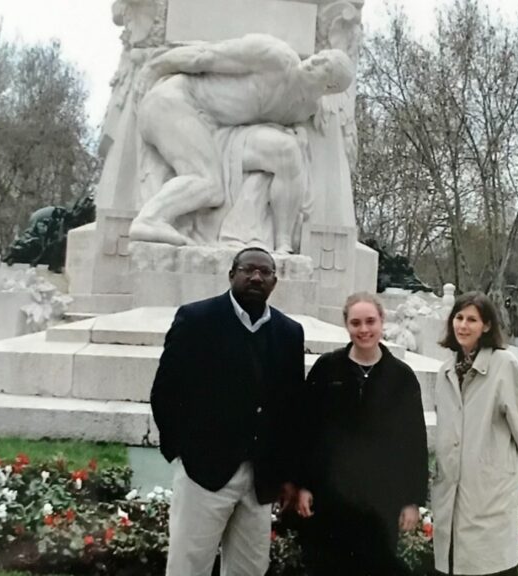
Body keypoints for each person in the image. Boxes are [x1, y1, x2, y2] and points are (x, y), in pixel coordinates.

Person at [150, 247, 306, 576]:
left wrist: (287, 472)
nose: (256, 277)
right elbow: (165, 390)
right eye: (248, 269)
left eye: (265, 272)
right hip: (204, 473)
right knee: (188, 566)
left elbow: (292, 410)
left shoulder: (289, 333)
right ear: (231, 274)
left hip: (259, 478)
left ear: (275, 282)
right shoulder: (196, 320)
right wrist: (182, 450)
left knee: (250, 569)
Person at [130, 34, 354, 250]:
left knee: (287, 153)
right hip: (176, 103)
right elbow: (205, 56)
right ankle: (149, 219)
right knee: (207, 181)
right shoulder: (276, 57)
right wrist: (153, 67)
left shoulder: (303, 109)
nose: (315, 59)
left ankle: (282, 243)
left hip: (218, 131)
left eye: (325, 66)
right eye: (321, 55)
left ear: (329, 88)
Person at [295, 293, 428, 576]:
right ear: (346, 325)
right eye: (356, 322)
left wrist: (412, 500)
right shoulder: (327, 368)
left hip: (380, 501)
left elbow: (414, 442)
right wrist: (303, 485)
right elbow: (305, 430)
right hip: (330, 499)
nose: (364, 329)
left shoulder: (401, 377)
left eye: (370, 321)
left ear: (382, 322)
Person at [432, 292, 518, 576]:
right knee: (454, 563)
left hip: (490, 497)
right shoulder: (445, 372)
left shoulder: (504, 365)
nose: (463, 326)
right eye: (458, 318)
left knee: (489, 566)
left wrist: (506, 474)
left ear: (487, 326)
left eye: (472, 320)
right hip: (452, 498)